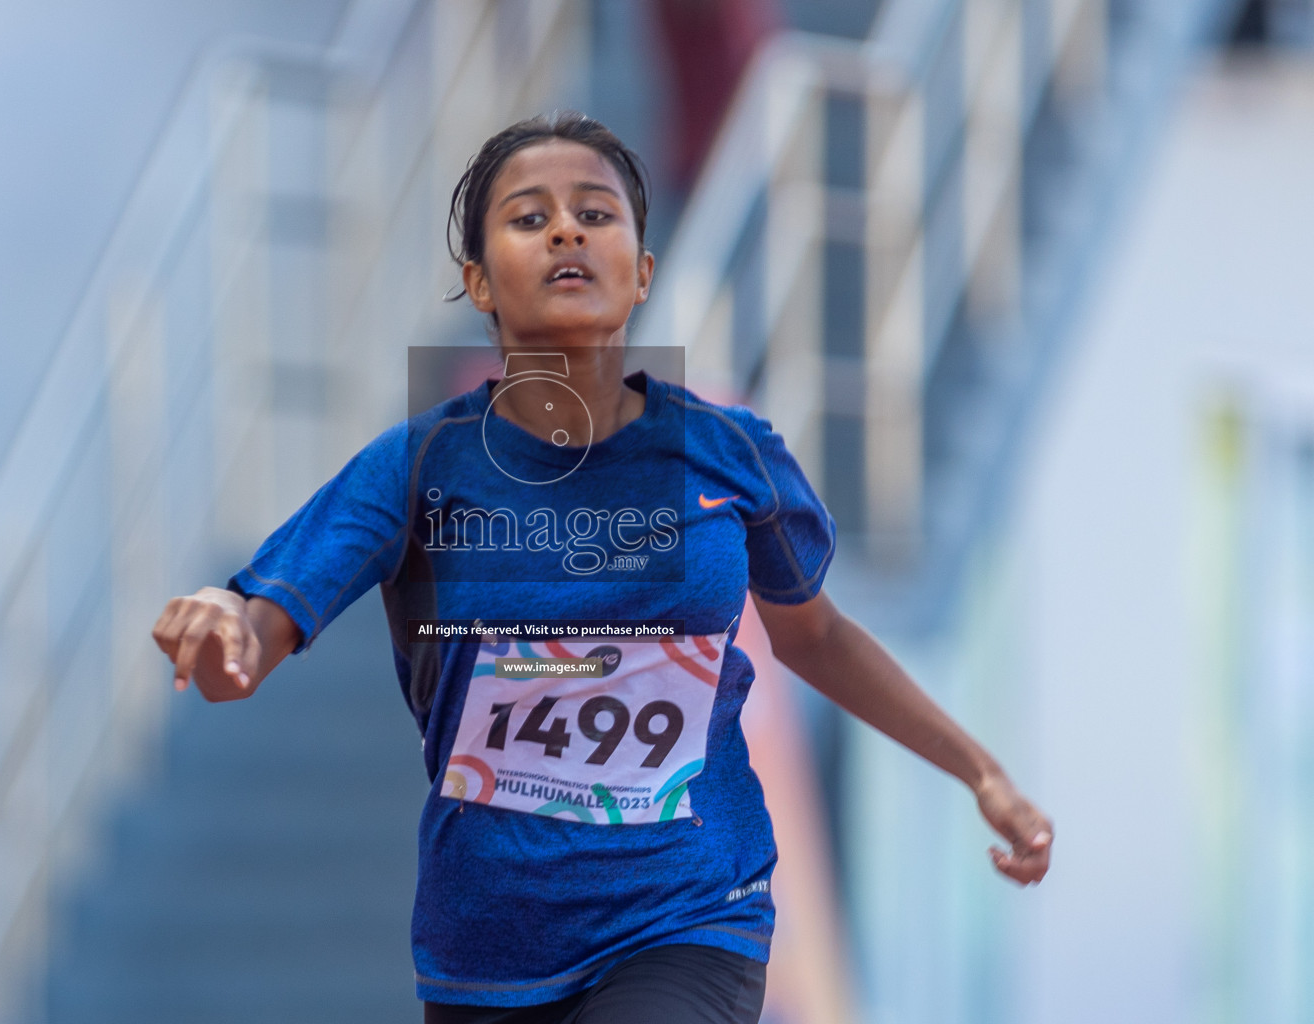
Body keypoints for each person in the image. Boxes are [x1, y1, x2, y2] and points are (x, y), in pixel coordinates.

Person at [151, 112, 1052, 1024]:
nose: (567, 233)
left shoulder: (727, 453)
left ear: (642, 273)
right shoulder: (417, 468)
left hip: (690, 917)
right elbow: (245, 651)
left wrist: (979, 771)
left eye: (595, 213)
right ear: (477, 282)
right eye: (529, 218)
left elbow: (816, 638)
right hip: (488, 952)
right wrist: (217, 622)